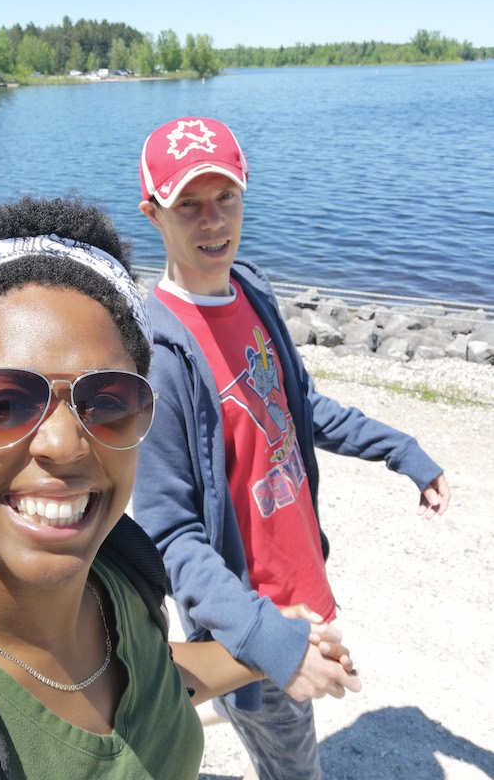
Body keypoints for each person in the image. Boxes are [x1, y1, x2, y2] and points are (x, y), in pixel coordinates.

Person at [0, 193, 332, 779]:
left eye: (107, 400)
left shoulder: (118, 576)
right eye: (5, 403)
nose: (63, 445)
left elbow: (153, 678)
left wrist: (275, 647)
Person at [132, 117, 451, 780]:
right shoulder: (159, 355)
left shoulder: (250, 291)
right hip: (251, 616)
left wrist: (401, 449)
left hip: (300, 575)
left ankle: (225, 703)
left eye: (227, 198)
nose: (212, 220)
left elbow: (298, 410)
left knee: (288, 720)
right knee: (295, 765)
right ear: (153, 214)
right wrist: (263, 640)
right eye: (188, 204)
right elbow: (171, 535)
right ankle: (227, 700)